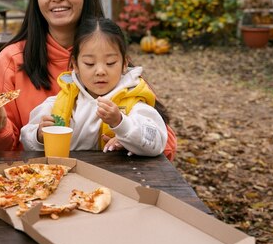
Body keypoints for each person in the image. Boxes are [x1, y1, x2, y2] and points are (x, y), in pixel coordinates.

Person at [0, 0, 104, 151]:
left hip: (103, 177)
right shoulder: (10, 61)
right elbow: (2, 149)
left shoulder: (108, 56)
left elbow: (163, 142)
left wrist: (125, 133)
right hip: (32, 177)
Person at [20, 17, 177, 160]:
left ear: (124, 64)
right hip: (66, 181)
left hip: (118, 183)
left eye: (110, 63)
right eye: (89, 63)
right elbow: (26, 139)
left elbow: (157, 143)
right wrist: (39, 136)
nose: (100, 71)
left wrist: (121, 124)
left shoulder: (133, 103)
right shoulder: (60, 103)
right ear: (75, 65)